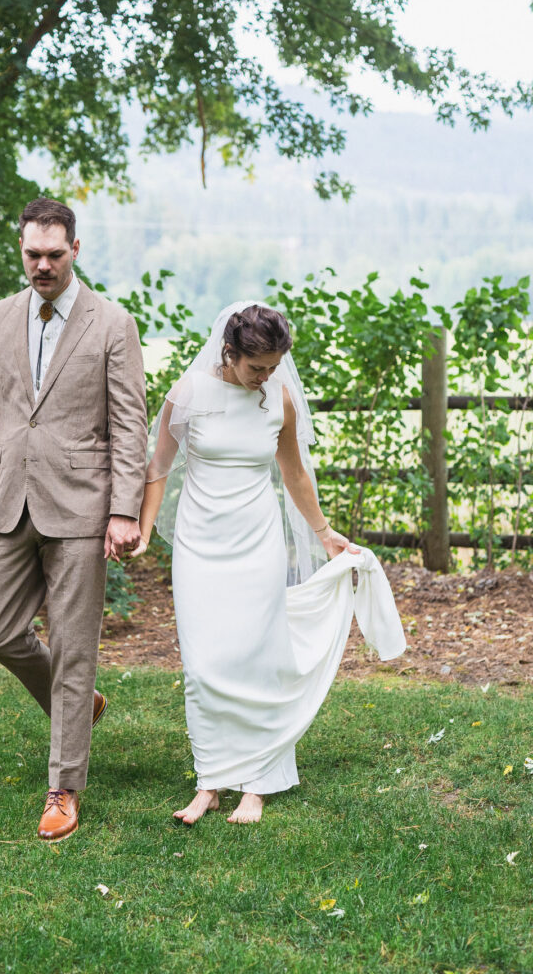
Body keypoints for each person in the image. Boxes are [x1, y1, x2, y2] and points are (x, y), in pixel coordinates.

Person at [133, 302, 405, 825]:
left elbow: (294, 473)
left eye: (274, 366)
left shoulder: (278, 399)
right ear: (228, 353)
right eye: (256, 367)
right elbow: (158, 468)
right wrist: (143, 532)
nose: (265, 376)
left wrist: (324, 533)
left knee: (258, 659)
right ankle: (209, 783)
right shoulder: (187, 394)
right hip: (198, 547)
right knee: (202, 668)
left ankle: (257, 783)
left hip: (258, 544)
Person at [0, 198, 147, 841]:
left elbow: (130, 424)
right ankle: (81, 705)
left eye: (54, 255)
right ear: (21, 249)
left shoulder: (112, 323)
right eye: (33, 254)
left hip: (83, 508)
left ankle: (64, 787)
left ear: (75, 250)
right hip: (9, 502)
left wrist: (124, 509)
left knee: (74, 647)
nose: (42, 265)